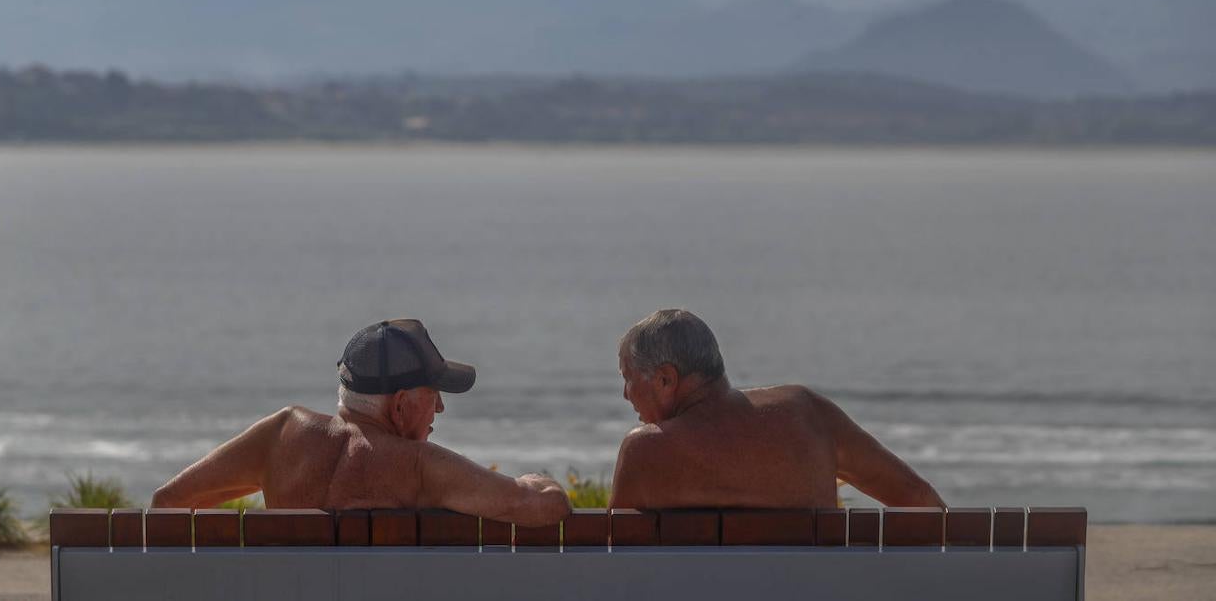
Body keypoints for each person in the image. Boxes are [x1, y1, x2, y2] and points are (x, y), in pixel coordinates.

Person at [152, 319, 570, 527]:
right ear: (401, 404)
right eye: (434, 394)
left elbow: (168, 502)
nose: (440, 408)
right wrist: (542, 479)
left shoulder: (279, 434)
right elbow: (538, 507)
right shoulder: (419, 466)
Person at [609, 309, 945, 510]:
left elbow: (613, 562)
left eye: (629, 378)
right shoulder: (809, 413)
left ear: (666, 379)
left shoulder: (647, 450)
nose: (626, 395)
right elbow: (918, 497)